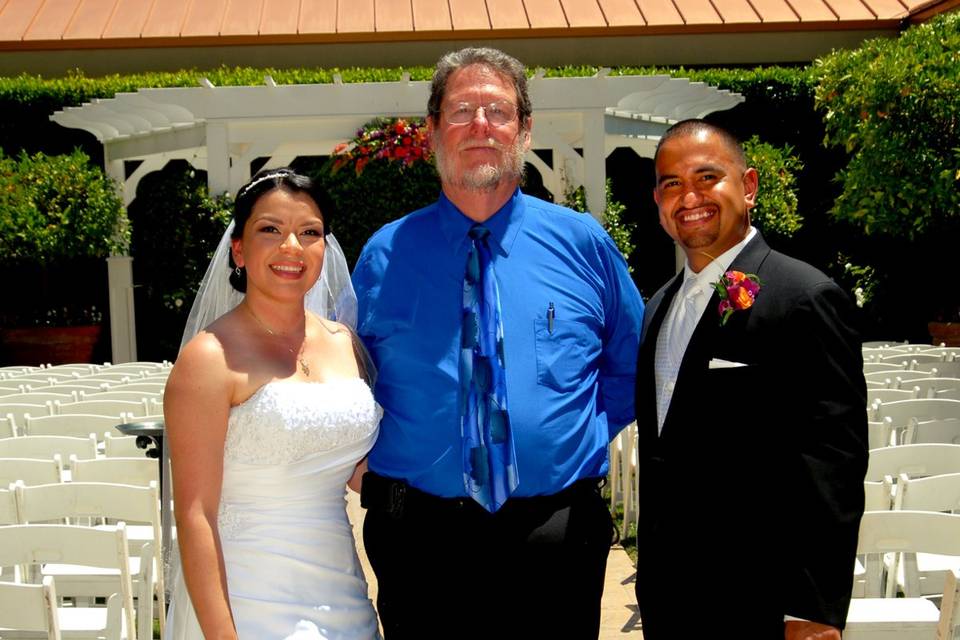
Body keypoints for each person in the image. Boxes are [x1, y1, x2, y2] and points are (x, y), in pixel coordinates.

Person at [351, 47, 644, 639]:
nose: (480, 125)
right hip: (421, 543)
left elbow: (632, 363)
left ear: (525, 129)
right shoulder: (385, 254)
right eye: (461, 110)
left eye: (498, 111)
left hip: (556, 534)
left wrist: (571, 436)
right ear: (432, 130)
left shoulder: (583, 244)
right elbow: (350, 377)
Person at [634, 119, 868, 639]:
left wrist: (812, 612)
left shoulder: (804, 296)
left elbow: (833, 462)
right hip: (672, 600)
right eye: (671, 183)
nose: (688, 195)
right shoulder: (658, 306)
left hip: (760, 603)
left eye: (706, 177)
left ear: (750, 186)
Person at [163, 168, 381, 640]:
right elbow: (195, 514)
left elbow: (357, 468)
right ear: (239, 249)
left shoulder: (345, 342)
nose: (291, 248)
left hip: (343, 595)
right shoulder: (208, 358)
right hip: (249, 601)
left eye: (309, 232)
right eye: (270, 230)